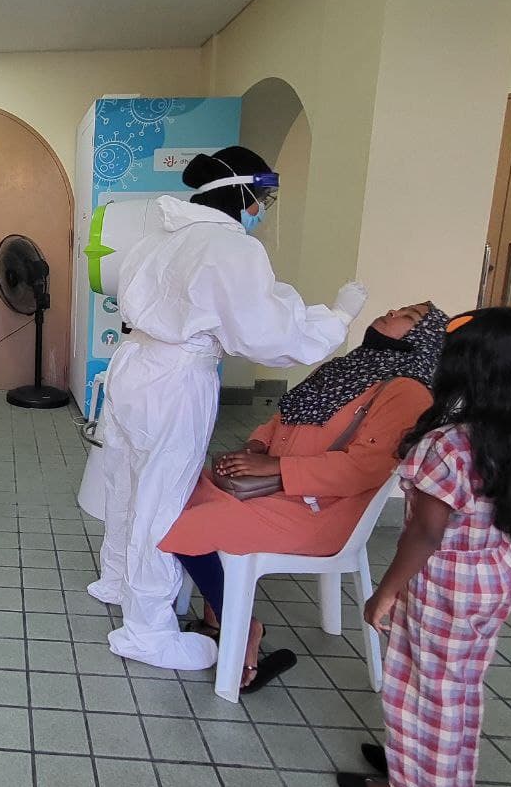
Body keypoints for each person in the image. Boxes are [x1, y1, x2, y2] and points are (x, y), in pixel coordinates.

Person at [87, 145, 369, 671]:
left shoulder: (156, 239)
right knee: (162, 495)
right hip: (175, 379)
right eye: (262, 197)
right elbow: (269, 337)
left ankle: (118, 581)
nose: (263, 208)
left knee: (125, 480)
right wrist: (335, 319)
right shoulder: (230, 249)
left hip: (132, 367)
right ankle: (147, 628)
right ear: (241, 193)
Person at [336, 308, 511, 787]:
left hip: (444, 582)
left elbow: (424, 533)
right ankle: (438, 776)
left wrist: (385, 592)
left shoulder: (449, 443)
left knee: (421, 686)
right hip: (492, 575)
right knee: (457, 684)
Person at [161, 302, 448, 691]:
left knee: (188, 522)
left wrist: (277, 469)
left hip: (321, 510)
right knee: (175, 495)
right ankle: (218, 614)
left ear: (421, 339)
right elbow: (282, 416)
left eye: (409, 316)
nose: (392, 311)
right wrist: (258, 447)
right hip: (277, 489)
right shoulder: (347, 367)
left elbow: (361, 468)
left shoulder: (407, 392)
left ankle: (242, 628)